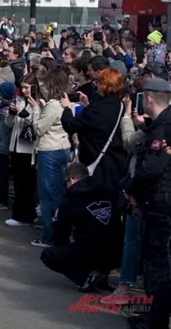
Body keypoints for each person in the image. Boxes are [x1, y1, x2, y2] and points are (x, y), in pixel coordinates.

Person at [122, 78, 171, 329]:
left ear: (149, 99)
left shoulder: (163, 128)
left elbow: (152, 169)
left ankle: (156, 320)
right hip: (156, 203)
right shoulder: (159, 125)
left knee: (157, 266)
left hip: (161, 205)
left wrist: (130, 187)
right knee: (152, 265)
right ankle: (153, 314)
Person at [39, 162, 123, 291]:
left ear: (71, 180)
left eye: (65, 182)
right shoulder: (106, 190)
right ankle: (100, 276)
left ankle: (85, 278)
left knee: (49, 255)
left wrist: (57, 220)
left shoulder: (71, 199)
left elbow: (60, 235)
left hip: (89, 250)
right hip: (115, 250)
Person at [61, 68, 128, 193]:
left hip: (97, 161)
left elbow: (70, 125)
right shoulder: (120, 105)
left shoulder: (98, 108)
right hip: (115, 161)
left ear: (103, 85)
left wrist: (67, 108)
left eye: (98, 82)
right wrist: (87, 106)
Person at [29, 68, 72, 248]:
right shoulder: (65, 102)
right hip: (63, 148)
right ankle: (59, 233)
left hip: (50, 150)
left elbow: (39, 128)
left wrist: (36, 110)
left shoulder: (53, 105)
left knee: (48, 195)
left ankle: (49, 236)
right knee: (60, 193)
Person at [4, 74, 40, 227]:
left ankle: (24, 215)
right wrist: (12, 113)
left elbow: (37, 125)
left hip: (28, 149)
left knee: (27, 184)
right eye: (22, 87)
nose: (24, 91)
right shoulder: (19, 100)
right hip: (16, 146)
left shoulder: (38, 103)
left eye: (27, 87)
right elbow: (10, 124)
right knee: (19, 183)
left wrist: (25, 114)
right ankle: (20, 214)